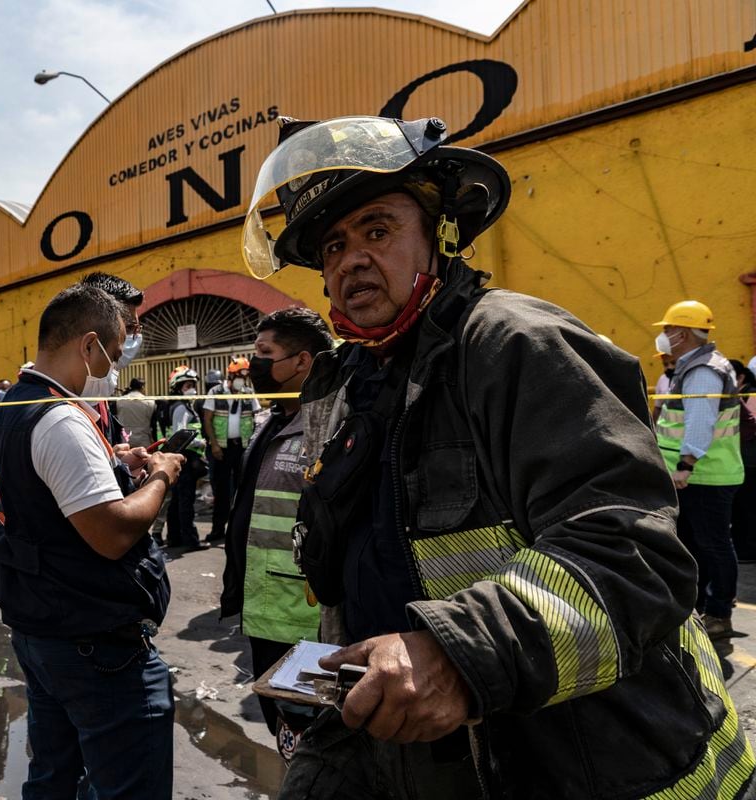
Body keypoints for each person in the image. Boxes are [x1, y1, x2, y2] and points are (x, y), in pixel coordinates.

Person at [240, 114, 753, 797]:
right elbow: (359, 589)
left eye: (377, 229)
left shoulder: (514, 344)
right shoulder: (347, 385)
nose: (350, 259)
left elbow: (633, 556)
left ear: (439, 233)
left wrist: (461, 654)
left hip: (594, 760)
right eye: (332, 245)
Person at [0, 282, 184, 799]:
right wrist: (160, 477)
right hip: (93, 642)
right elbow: (113, 533)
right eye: (114, 354)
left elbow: (44, 488)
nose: (115, 368)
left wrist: (114, 461)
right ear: (89, 347)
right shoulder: (60, 420)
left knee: (54, 776)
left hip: (42, 623)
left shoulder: (13, 404)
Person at [219, 307, 333, 760]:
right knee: (287, 738)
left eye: (264, 354)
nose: (253, 366)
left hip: (307, 622)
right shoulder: (271, 423)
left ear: (303, 362)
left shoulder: (329, 427)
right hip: (265, 612)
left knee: (316, 751)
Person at [653, 300, 746, 655]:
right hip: (700, 474)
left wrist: (685, 466)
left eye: (666, 330)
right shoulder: (697, 365)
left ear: (682, 332)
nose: (663, 336)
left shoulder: (703, 371)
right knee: (699, 545)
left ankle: (718, 614)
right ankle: (701, 610)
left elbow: (700, 422)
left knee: (713, 545)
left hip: (703, 475)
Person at [79, 272, 146, 444]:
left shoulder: (96, 393)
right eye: (129, 328)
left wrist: (119, 461)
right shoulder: (56, 415)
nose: (134, 337)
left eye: (137, 328)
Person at [202, 356, 261, 544]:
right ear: (231, 375)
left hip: (242, 448)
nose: (242, 380)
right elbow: (207, 420)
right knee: (221, 491)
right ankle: (218, 529)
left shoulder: (248, 393)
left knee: (241, 489)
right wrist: (214, 444)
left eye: (245, 377)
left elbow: (257, 418)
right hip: (222, 450)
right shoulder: (216, 391)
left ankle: (239, 530)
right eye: (240, 376)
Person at [166, 365, 206, 550]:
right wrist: (201, 443)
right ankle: (190, 540)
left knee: (177, 501)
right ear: (177, 388)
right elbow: (180, 434)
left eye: (192, 384)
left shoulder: (183, 406)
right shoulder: (181, 408)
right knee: (185, 501)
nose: (191, 388)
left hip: (183, 458)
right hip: (186, 458)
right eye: (186, 385)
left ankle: (175, 537)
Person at [729, 360, 756, 562]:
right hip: (741, 459)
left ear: (741, 377)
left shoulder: (751, 394)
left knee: (747, 507)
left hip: (749, 460)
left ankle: (748, 549)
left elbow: (749, 427)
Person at [116, 377, 157, 449]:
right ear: (142, 387)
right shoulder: (150, 402)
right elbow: (153, 425)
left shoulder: (120, 401)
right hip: (143, 440)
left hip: (125, 440)